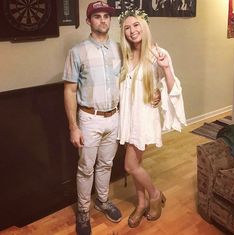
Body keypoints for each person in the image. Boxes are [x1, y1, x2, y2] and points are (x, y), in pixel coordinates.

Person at [117, 8, 186, 228]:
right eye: (127, 27)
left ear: (145, 26)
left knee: (129, 166)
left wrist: (165, 69)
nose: (132, 30)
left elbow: (174, 88)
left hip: (143, 118)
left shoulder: (157, 53)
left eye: (136, 25)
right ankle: (141, 203)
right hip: (128, 117)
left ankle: (155, 195)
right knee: (137, 163)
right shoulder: (126, 55)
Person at [62, 2, 122, 235]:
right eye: (97, 16)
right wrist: (73, 127)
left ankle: (103, 201)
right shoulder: (77, 52)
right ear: (89, 21)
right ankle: (84, 211)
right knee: (86, 168)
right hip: (89, 119)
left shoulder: (119, 49)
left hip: (113, 117)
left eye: (106, 16)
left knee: (106, 164)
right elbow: (69, 90)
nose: (103, 20)